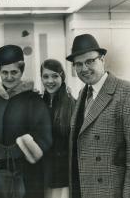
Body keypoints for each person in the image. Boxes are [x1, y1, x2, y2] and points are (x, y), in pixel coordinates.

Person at [66, 34, 130, 198]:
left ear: (102, 59)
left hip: (111, 191)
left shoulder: (128, 92)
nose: (84, 68)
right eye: (78, 64)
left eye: (90, 61)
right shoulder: (82, 94)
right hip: (84, 189)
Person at [0, 45, 52, 198]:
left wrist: (14, 151)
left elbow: (45, 136)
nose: (9, 77)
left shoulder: (33, 100)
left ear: (22, 71)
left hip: (26, 176)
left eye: (14, 72)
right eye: (4, 72)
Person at [40, 59, 75, 198]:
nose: (50, 81)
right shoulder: (40, 102)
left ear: (62, 77)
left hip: (62, 173)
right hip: (43, 171)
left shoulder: (71, 104)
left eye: (55, 76)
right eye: (45, 76)